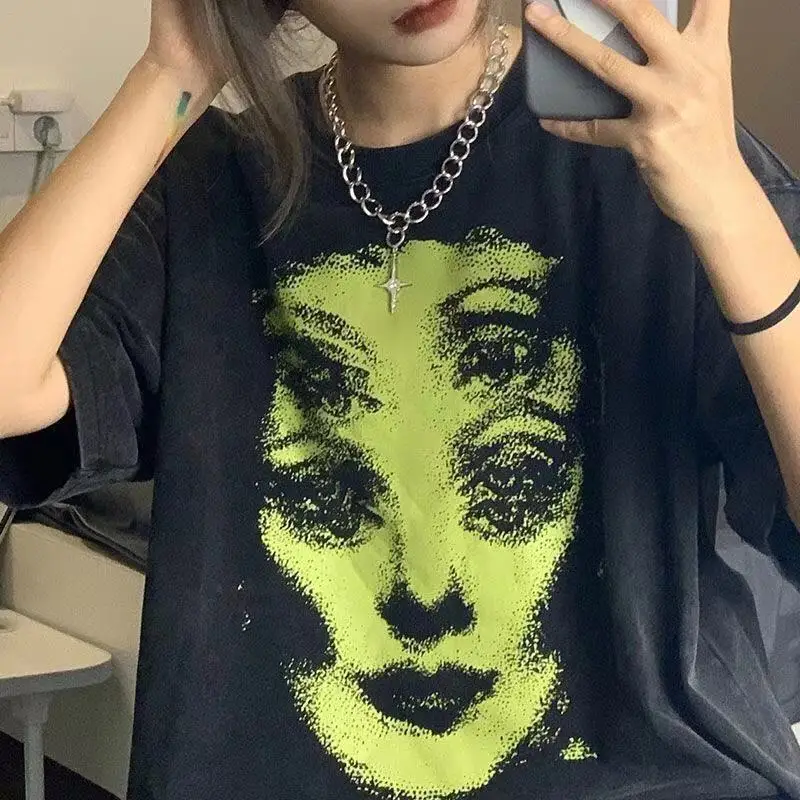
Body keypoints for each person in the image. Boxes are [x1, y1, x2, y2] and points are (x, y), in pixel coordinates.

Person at [0, 0, 798, 797]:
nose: (425, 602)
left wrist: (728, 205)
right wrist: (170, 70)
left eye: (511, 483)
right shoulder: (207, 186)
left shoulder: (660, 155)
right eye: (328, 497)